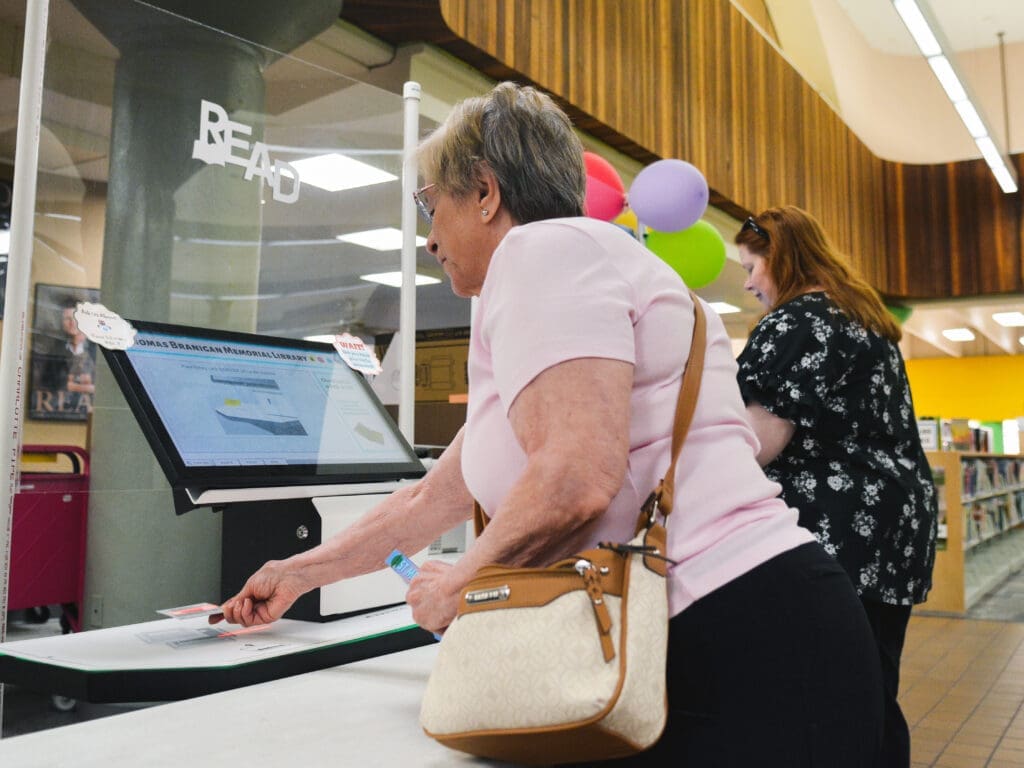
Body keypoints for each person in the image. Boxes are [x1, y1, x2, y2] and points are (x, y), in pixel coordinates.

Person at [219, 82, 883, 766]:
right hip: (753, 620)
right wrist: (298, 572)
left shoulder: (541, 255)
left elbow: (574, 478)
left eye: (430, 204)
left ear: (484, 192)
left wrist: (460, 583)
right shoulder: (589, 261)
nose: (428, 235)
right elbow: (431, 497)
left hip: (735, 633)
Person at [734, 206, 938, 768]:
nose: (749, 281)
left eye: (753, 265)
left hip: (837, 529)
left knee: (830, 695)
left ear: (781, 257)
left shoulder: (801, 320)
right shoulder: (860, 314)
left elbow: (758, 440)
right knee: (873, 687)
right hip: (891, 531)